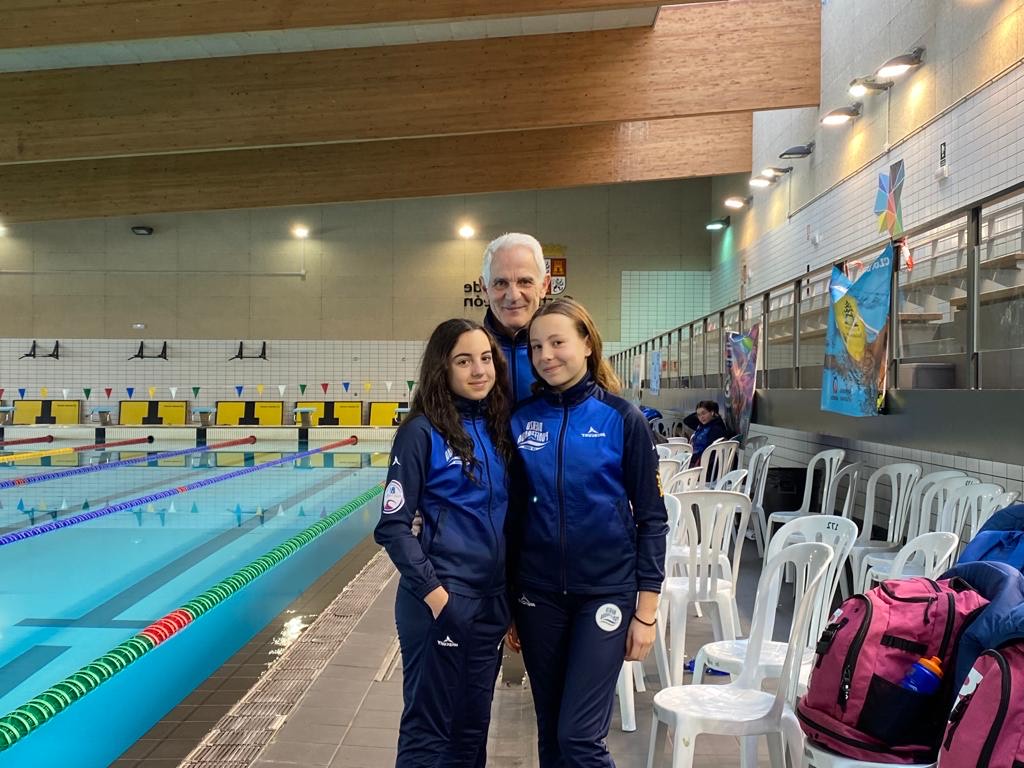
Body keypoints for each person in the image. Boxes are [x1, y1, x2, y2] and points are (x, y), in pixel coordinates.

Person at [506, 297, 668, 768]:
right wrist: (509, 599)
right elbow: (511, 517)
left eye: (558, 342)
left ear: (588, 346)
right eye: (536, 346)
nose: (546, 355)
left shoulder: (623, 419)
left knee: (579, 738)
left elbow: (652, 519)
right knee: (551, 732)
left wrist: (647, 613)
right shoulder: (522, 419)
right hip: (537, 595)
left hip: (605, 594)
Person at [374, 318, 514, 768]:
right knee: (430, 732)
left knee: (471, 731)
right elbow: (393, 526)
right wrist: (438, 597)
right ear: (443, 368)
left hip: (490, 603)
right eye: (464, 360)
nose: (479, 370)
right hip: (442, 602)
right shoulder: (421, 431)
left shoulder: (497, 427)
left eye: (486, 358)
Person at [481, 232, 551, 403]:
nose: (513, 296)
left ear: (544, 286)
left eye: (525, 282)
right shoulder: (463, 355)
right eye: (501, 283)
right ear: (484, 289)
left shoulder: (566, 354)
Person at [683, 399, 730, 468]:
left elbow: (707, 451)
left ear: (712, 412)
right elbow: (687, 420)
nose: (701, 417)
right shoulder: (703, 425)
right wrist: (700, 411)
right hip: (698, 459)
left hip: (705, 465)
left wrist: (689, 457)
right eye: (698, 415)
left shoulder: (715, 428)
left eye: (704, 413)